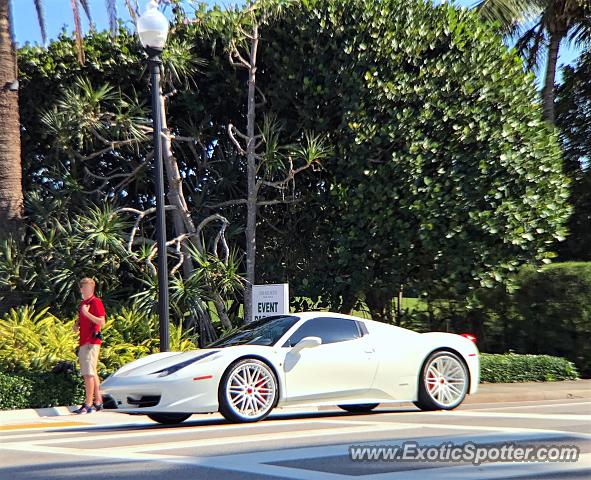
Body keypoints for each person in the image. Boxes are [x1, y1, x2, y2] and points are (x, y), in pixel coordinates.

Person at [72, 277, 106, 414]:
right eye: (85, 288)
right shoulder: (83, 303)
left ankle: (88, 404)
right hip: (84, 340)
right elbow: (82, 319)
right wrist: (77, 324)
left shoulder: (95, 302)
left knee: (88, 374)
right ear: (81, 289)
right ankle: (98, 402)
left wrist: (87, 313)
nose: (88, 290)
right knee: (92, 372)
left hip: (91, 342)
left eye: (90, 288)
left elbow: (101, 321)